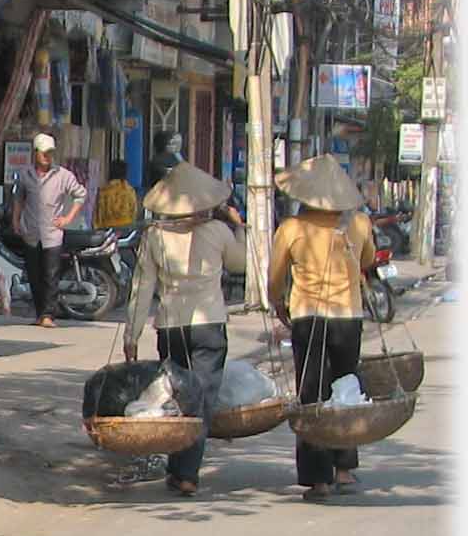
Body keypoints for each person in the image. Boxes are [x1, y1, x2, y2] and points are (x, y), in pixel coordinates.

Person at [122, 163, 247, 496]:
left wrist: (130, 335)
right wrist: (240, 228)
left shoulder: (154, 236)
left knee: (179, 396)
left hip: (171, 327)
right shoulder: (219, 232)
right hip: (209, 326)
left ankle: (179, 468)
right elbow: (241, 264)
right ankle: (187, 472)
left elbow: (142, 288)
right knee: (200, 399)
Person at [268, 154, 379, 503]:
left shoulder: (292, 229)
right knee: (346, 388)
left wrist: (278, 304)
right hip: (348, 317)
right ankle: (344, 467)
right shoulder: (358, 223)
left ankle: (319, 479)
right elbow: (369, 260)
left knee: (312, 394)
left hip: (308, 316)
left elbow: (275, 276)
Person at [8, 130, 85, 328]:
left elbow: (80, 195)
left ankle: (48, 315)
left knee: (51, 276)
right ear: (35, 153)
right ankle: (39, 313)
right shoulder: (25, 174)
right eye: (44, 153)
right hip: (31, 231)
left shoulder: (62, 175)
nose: (47, 157)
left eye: (50, 153)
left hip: (52, 233)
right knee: (34, 275)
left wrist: (68, 218)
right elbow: (19, 198)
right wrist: (16, 221)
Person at [95, 158, 139, 230]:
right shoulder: (129, 190)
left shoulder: (103, 191)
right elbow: (134, 212)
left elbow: (98, 215)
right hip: (125, 229)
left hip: (107, 230)